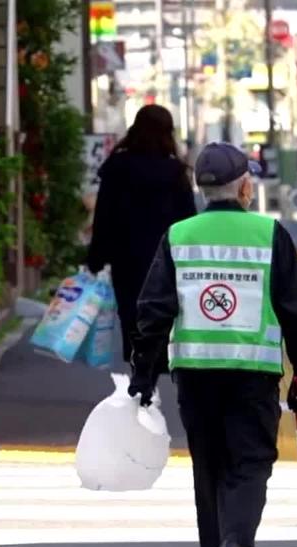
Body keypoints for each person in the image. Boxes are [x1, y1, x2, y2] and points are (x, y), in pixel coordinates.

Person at [129, 142, 297, 547]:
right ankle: (236, 544)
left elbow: (153, 310)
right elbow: (294, 310)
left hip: (194, 371)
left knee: (209, 460)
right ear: (246, 187)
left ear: (201, 189)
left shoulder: (179, 236)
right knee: (249, 462)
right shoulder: (269, 234)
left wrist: (144, 374)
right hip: (252, 372)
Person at [87, 104, 197, 361]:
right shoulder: (175, 172)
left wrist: (95, 257)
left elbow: (104, 216)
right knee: (163, 314)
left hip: (126, 258)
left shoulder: (117, 166)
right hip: (166, 260)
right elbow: (188, 220)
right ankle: (157, 363)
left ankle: (139, 367)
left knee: (131, 313)